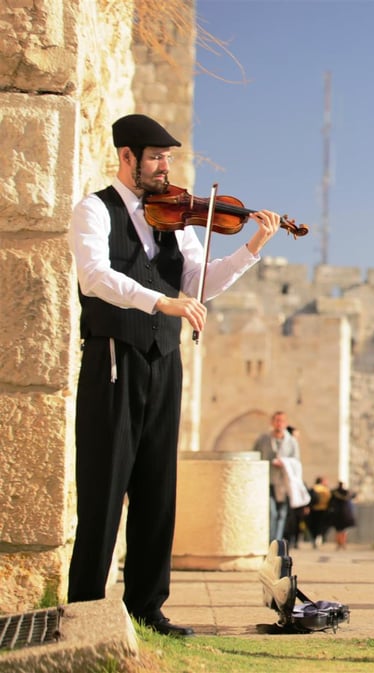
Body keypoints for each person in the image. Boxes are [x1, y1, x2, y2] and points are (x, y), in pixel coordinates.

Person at [67, 113, 284, 637]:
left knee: (157, 485)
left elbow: (199, 282)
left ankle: (147, 606)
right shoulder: (93, 210)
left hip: (164, 361)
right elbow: (96, 278)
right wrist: (160, 301)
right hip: (113, 360)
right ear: (127, 158)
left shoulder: (176, 220)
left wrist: (250, 249)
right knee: (104, 485)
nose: (165, 167)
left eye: (168, 158)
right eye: (156, 158)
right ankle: (86, 609)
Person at [254, 411, 301, 544]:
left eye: (281, 421)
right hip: (267, 481)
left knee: (282, 513)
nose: (279, 424)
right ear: (272, 422)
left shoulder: (291, 442)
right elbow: (255, 456)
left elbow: (296, 461)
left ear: (285, 424)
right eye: (276, 421)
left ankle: (277, 542)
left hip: (284, 482)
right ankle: (270, 541)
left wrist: (284, 463)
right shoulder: (263, 439)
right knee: (271, 511)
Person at [329, 481, 358, 550]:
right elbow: (354, 495)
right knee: (344, 530)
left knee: (338, 530)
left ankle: (339, 543)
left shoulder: (334, 493)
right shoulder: (347, 493)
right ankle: (343, 543)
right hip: (346, 513)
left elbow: (330, 502)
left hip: (336, 513)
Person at [307, 476, 333, 548]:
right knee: (321, 525)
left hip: (313, 509)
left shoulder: (313, 488)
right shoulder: (326, 490)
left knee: (314, 524)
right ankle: (319, 537)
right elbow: (330, 500)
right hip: (323, 510)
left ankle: (314, 538)